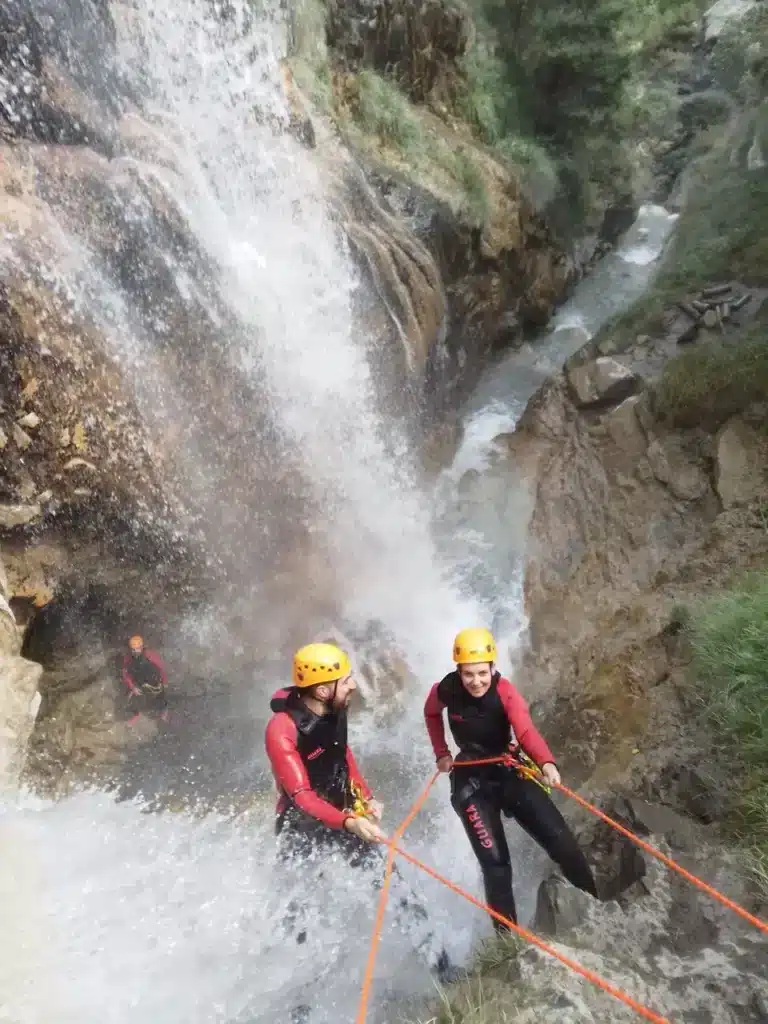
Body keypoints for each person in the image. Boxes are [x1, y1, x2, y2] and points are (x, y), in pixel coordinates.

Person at [265, 641, 458, 1001]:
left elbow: (342, 753)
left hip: (343, 815)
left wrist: (364, 795)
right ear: (322, 689)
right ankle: (299, 1007)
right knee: (301, 923)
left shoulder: (334, 708)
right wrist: (349, 822)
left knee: (396, 889)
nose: (353, 684)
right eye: (347, 679)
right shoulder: (282, 730)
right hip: (302, 830)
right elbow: (302, 796)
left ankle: (445, 972)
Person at [424, 627, 598, 932]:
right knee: (496, 867)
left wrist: (546, 762)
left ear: (492, 667)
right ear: (458, 671)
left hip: (508, 770)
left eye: (481, 673)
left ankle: (593, 904)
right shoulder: (445, 690)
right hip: (471, 782)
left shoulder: (505, 691)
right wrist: (441, 751)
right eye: (468, 674)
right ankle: (508, 945)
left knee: (563, 843)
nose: (476, 681)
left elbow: (525, 730)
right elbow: (431, 713)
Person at [122, 634, 169, 725]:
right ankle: (136, 714)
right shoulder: (128, 658)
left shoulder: (151, 656)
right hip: (140, 681)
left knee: (160, 697)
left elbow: (161, 669)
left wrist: (164, 682)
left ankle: (164, 712)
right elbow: (125, 673)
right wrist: (132, 687)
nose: (135, 651)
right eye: (133, 649)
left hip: (153, 681)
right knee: (134, 699)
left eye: (137, 649)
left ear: (142, 647)